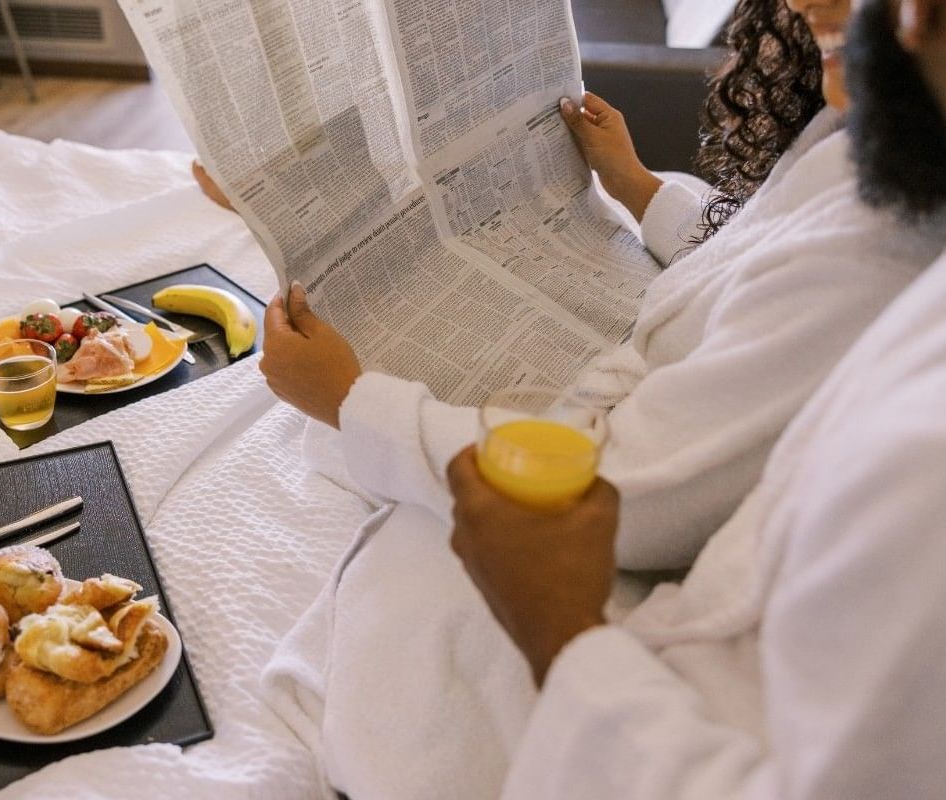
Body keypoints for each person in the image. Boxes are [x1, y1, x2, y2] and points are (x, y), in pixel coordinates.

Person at [258, 1, 946, 798]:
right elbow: (755, 261)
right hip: (648, 558)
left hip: (643, 662)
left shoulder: (902, 344)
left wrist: (354, 404)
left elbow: (644, 495)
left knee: (419, 569)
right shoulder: (889, 150)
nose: (822, 9)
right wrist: (641, 189)